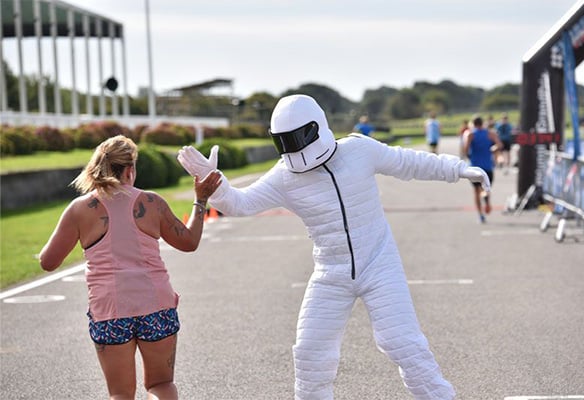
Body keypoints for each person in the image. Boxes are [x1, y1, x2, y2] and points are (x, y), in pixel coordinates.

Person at [178, 94, 490, 400]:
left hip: (380, 262)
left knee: (403, 343)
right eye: (285, 141)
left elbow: (408, 161)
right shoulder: (285, 176)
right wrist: (213, 182)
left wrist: (457, 169)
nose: (294, 148)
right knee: (310, 355)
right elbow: (240, 203)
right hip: (330, 272)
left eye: (297, 138)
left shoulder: (358, 149)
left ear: (316, 128)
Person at [39, 135, 222, 400]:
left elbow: (48, 262)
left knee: (121, 394)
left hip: (110, 311)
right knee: (160, 385)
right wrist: (200, 200)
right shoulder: (151, 202)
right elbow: (189, 242)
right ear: (130, 170)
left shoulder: (79, 209)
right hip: (156, 306)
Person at [463, 115, 503, 223]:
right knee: (486, 187)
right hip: (487, 166)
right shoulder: (490, 133)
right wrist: (492, 149)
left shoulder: (470, 134)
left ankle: (480, 215)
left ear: (473, 123)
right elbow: (499, 145)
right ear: (482, 123)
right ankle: (486, 198)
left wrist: (470, 157)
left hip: (474, 167)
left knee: (476, 191)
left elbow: (466, 150)